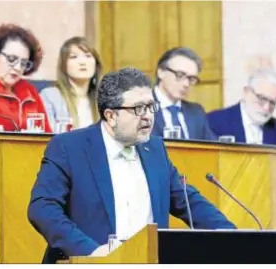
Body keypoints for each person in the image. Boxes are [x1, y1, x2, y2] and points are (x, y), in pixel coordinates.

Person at [28, 67, 236, 264]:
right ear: (111, 116)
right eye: (138, 108)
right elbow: (43, 208)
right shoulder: (69, 147)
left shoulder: (154, 149)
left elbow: (187, 200)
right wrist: (91, 252)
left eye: (150, 106)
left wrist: (231, 236)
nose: (148, 115)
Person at [207, 69, 276, 146]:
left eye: (273, 102)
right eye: (262, 99)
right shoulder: (215, 122)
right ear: (246, 92)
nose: (266, 108)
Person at [151, 47, 217, 140]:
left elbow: (212, 150)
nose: (186, 84)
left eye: (191, 79)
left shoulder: (196, 112)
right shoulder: (140, 108)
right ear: (161, 72)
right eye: (180, 75)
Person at [40, 36, 102, 131]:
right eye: (74, 57)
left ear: (96, 64)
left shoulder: (105, 101)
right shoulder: (50, 96)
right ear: (64, 66)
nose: (82, 62)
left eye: (88, 56)